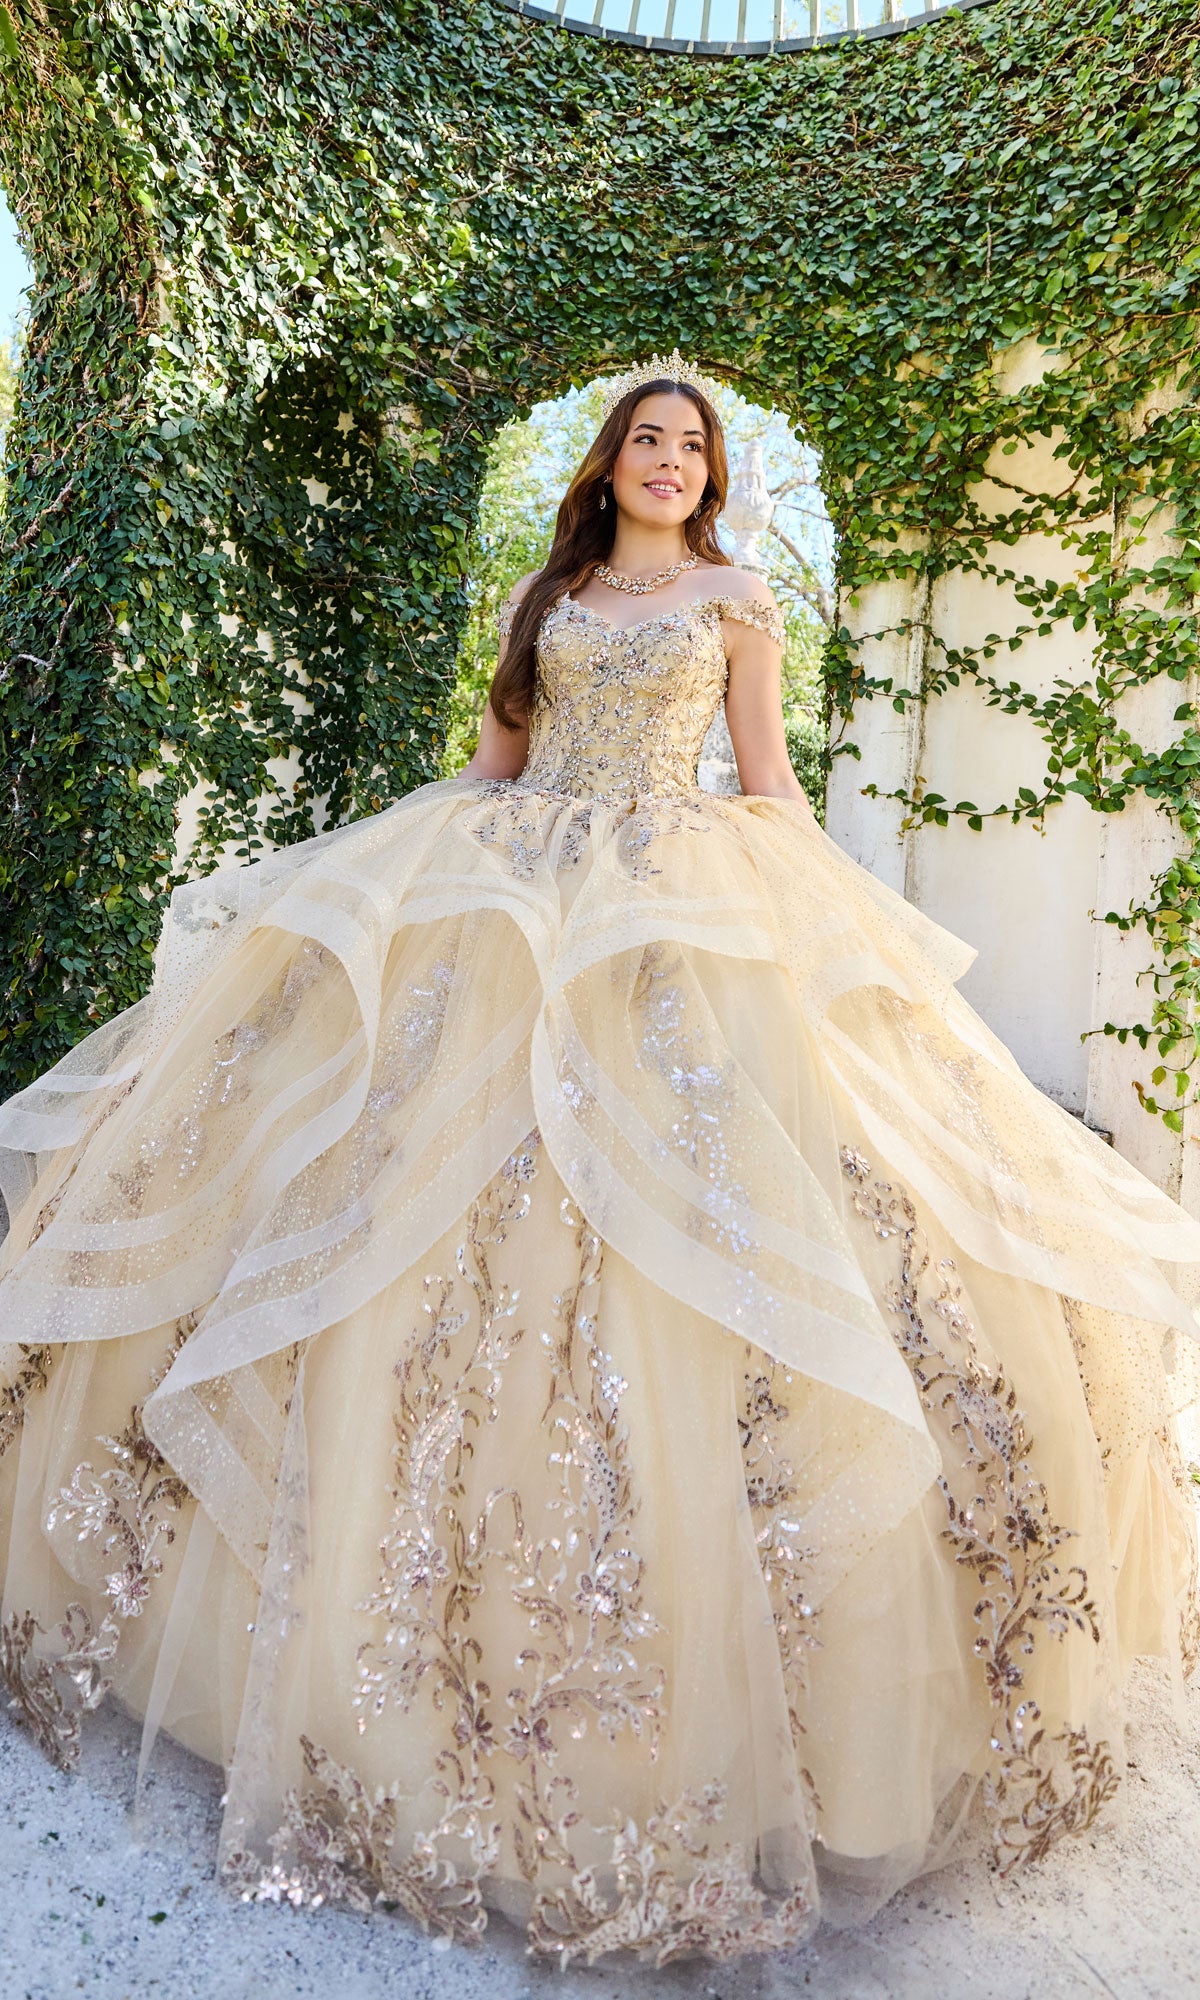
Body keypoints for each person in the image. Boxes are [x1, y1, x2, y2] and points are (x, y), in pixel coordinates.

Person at [1, 350, 1198, 1970]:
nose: (666, 459)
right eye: (645, 438)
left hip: (681, 900)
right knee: (394, 1187)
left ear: (712, 476)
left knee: (719, 1206)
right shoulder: (548, 593)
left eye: (689, 444)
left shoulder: (737, 602)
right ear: (608, 461)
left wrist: (843, 951)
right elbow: (498, 767)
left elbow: (764, 781)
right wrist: (385, 876)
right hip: (513, 891)